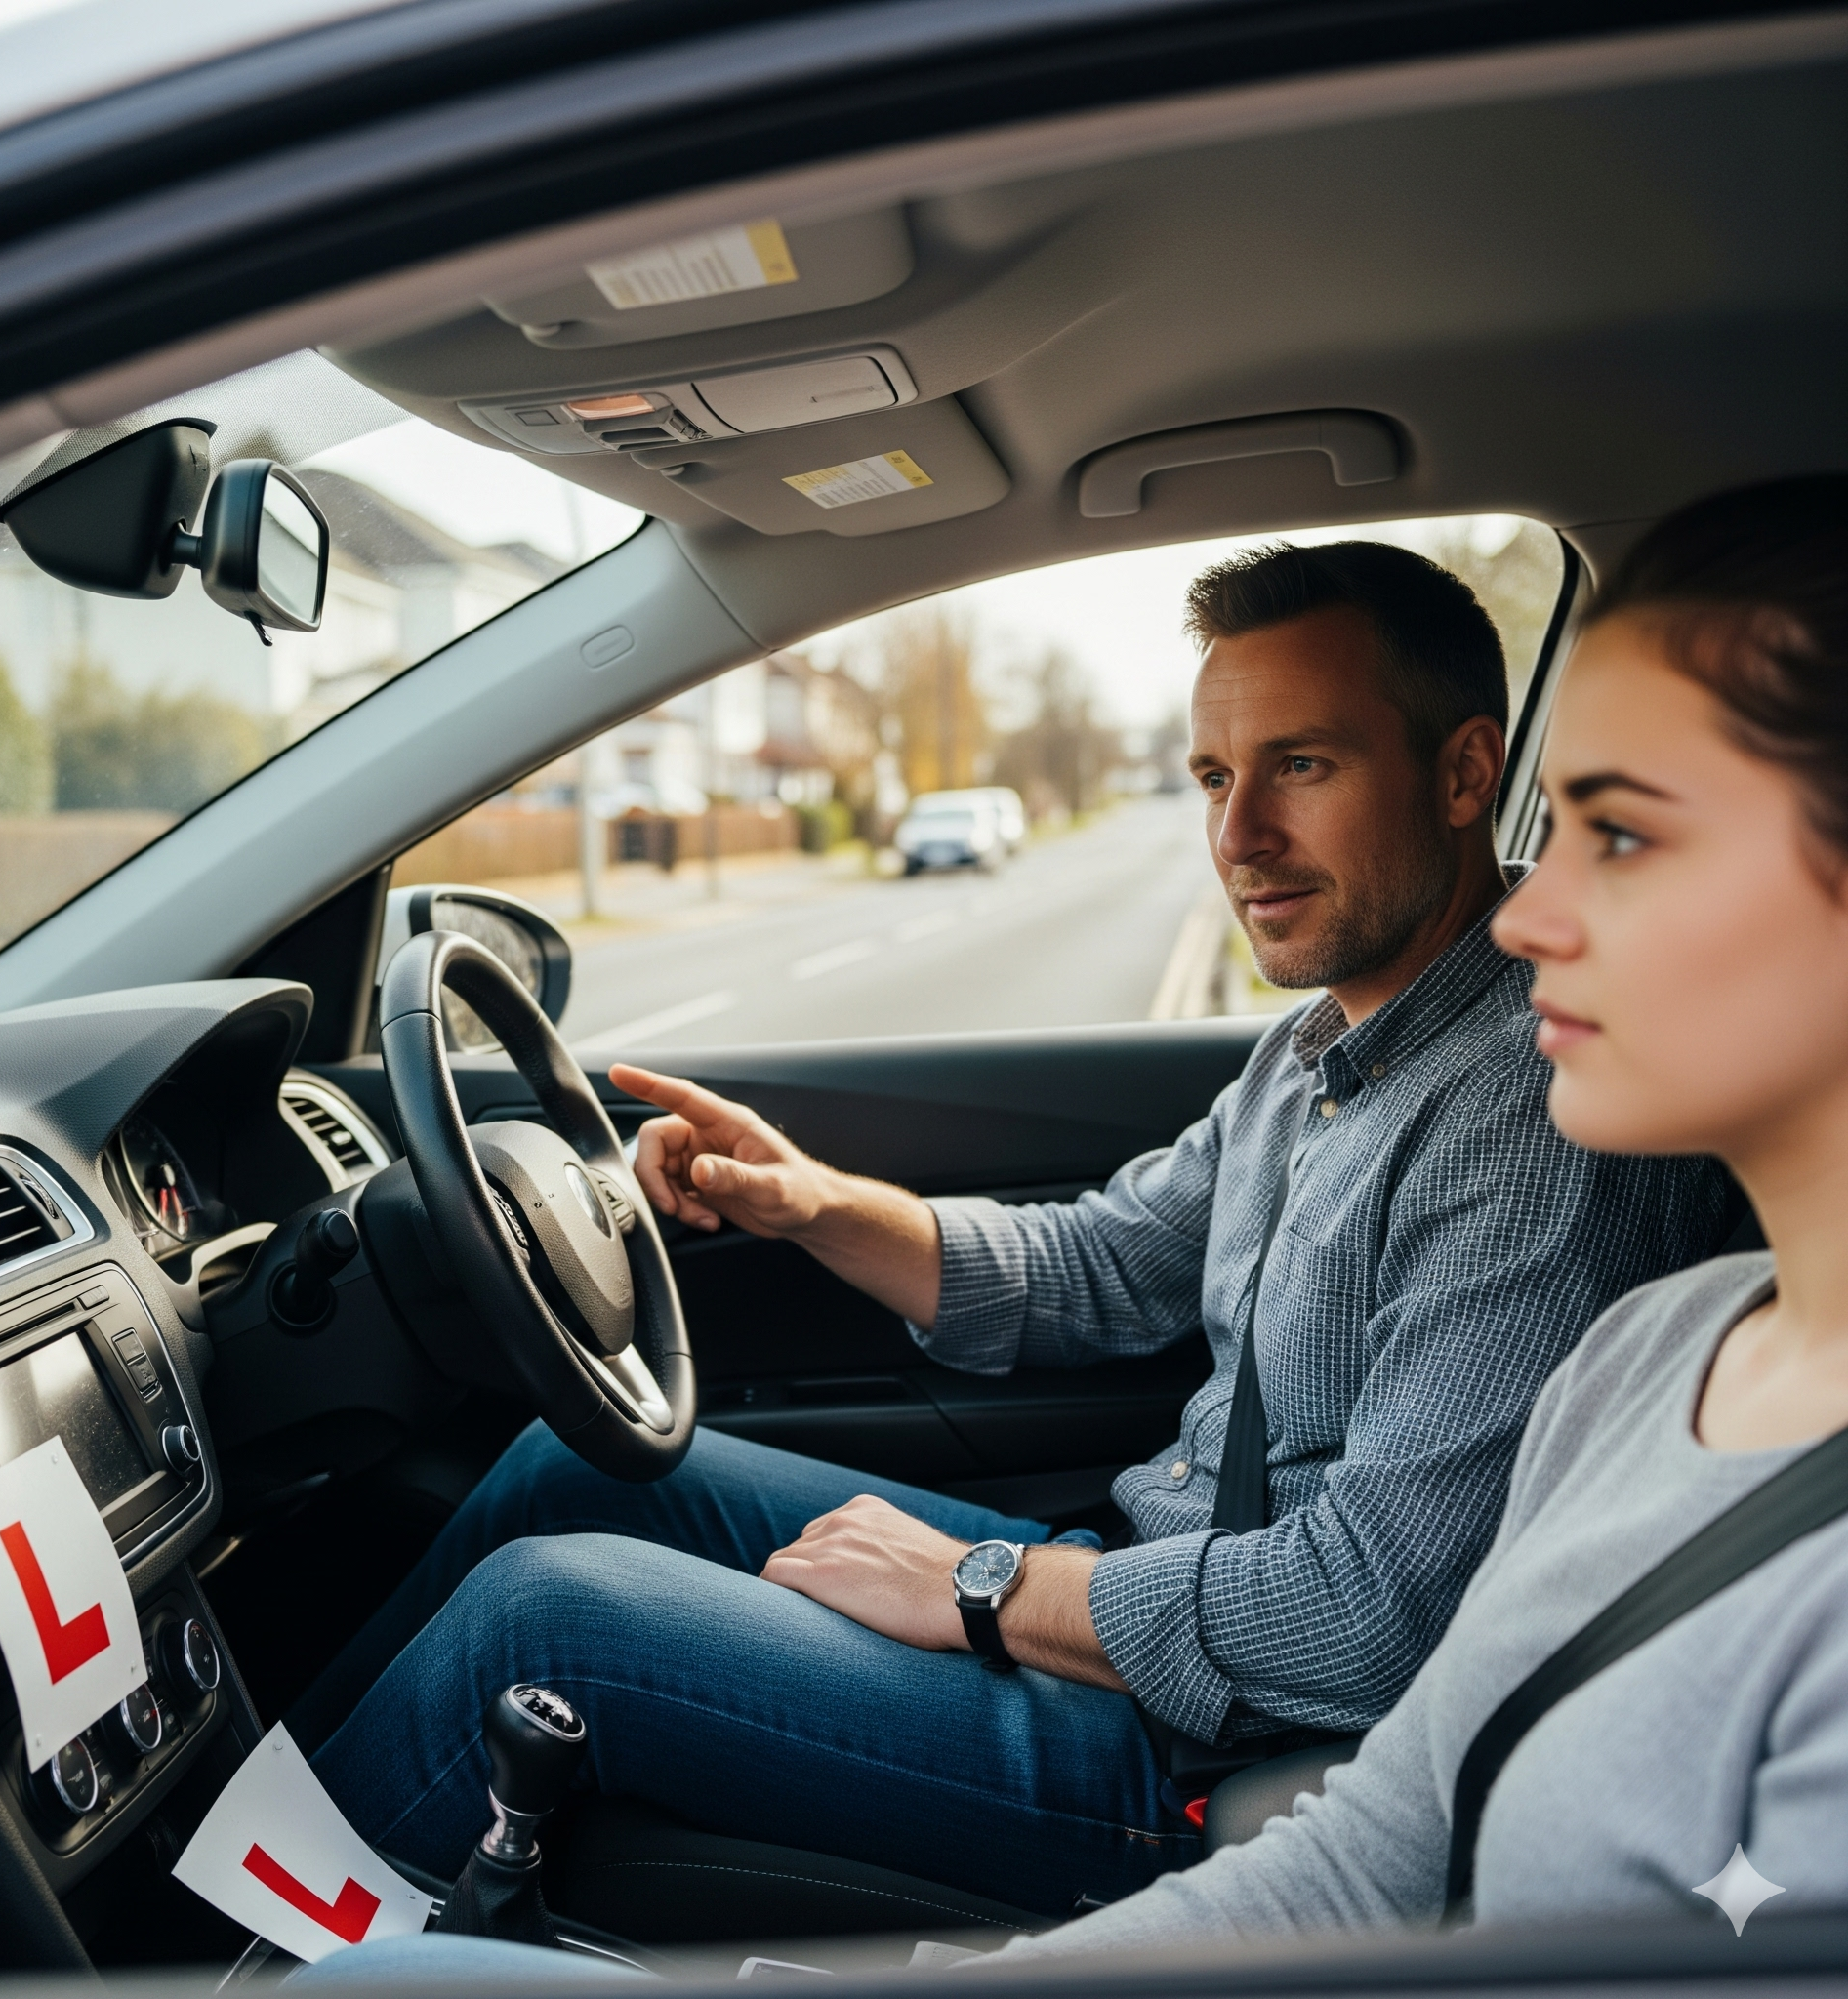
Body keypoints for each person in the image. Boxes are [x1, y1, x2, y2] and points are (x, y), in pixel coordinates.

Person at [295, 542, 1732, 1916]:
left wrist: (986, 1588)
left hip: (1212, 1758)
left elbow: (1364, 1622)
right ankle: (255, 1818)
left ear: (1468, 771)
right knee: (570, 1470)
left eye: (1302, 765)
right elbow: (1102, 1264)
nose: (1239, 838)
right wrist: (808, 1202)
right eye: (1217, 778)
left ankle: (217, 1943)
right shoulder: (1315, 1057)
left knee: (539, 1619)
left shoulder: (1534, 1117)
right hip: (1143, 1593)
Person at [993, 472, 1848, 1954]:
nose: (1524, 916)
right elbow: (1376, 1849)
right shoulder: (1659, 1352)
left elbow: (1371, 1631)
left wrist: (988, 1584)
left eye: (1624, 835)